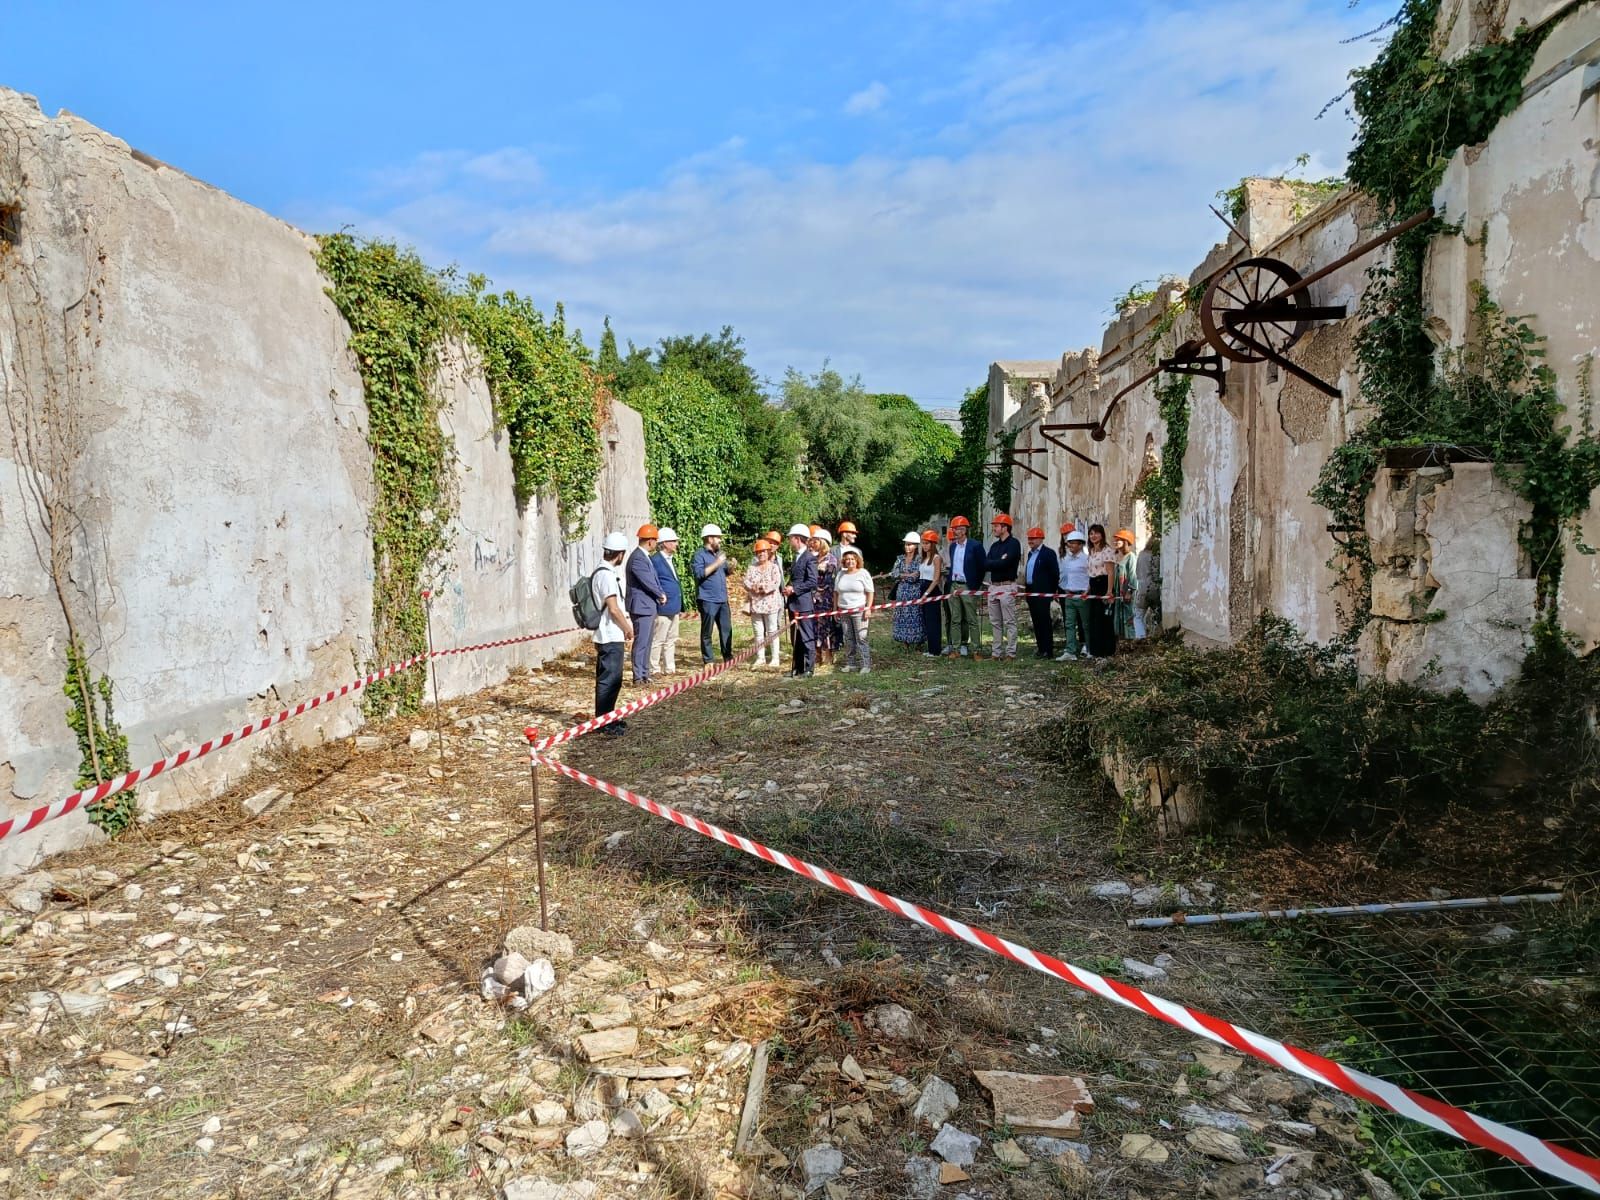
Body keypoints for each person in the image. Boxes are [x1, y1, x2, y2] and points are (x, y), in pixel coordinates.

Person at [591, 533, 634, 736]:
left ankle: (609, 717)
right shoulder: (607, 575)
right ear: (620, 554)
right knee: (609, 679)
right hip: (610, 634)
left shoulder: (602, 572)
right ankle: (603, 722)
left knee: (612, 679)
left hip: (608, 633)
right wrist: (627, 628)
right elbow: (614, 608)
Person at [626, 524, 665, 685]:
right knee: (641, 642)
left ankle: (644, 674)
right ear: (650, 541)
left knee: (647, 642)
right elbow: (647, 581)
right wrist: (660, 594)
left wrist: (659, 593)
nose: (656, 543)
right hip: (641, 606)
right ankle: (638, 676)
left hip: (647, 606)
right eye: (655, 540)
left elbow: (653, 578)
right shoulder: (637, 558)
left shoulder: (644, 557)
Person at [691, 524, 736, 664]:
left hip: (722, 598)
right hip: (707, 599)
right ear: (710, 539)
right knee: (707, 631)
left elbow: (725, 572)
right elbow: (699, 574)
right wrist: (717, 563)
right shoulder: (699, 555)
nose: (720, 540)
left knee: (726, 629)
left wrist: (732, 567)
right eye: (718, 537)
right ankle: (709, 660)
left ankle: (727, 656)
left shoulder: (719, 554)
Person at [944, 515, 986, 657]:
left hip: (968, 585)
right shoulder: (953, 546)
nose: (955, 532)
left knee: (971, 619)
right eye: (954, 529)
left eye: (958, 529)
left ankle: (976, 650)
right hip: (954, 585)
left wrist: (974, 585)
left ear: (964, 530)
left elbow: (982, 567)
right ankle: (956, 649)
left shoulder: (975, 546)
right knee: (955, 619)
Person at [783, 524, 819, 677]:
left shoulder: (809, 558)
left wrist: (794, 589)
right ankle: (797, 668)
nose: (789, 541)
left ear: (797, 539)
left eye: (790, 538)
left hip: (804, 604)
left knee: (806, 636)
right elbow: (797, 579)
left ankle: (809, 669)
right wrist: (787, 587)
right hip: (794, 604)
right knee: (796, 638)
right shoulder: (796, 557)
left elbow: (812, 581)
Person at [984, 514, 1022, 659]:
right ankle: (996, 652)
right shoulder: (994, 546)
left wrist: (996, 563)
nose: (994, 528)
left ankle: (1011, 652)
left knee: (1009, 621)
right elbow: (986, 563)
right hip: (993, 586)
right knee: (995, 622)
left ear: (1005, 527)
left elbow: (1006, 563)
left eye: (996, 526)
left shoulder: (1014, 544)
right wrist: (997, 562)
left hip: (1007, 586)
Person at [743, 538, 785, 668]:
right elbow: (746, 581)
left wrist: (762, 587)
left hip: (770, 604)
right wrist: (752, 587)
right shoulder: (752, 567)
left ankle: (775, 658)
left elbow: (776, 582)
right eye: (759, 552)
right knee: (758, 632)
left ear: (768, 552)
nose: (761, 554)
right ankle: (760, 657)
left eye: (764, 552)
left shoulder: (774, 567)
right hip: (756, 605)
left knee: (772, 631)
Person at [1022, 526, 1061, 659]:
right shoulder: (1030, 554)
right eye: (1029, 538)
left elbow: (1054, 574)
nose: (1030, 541)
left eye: (1033, 538)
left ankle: (1048, 650)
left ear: (1040, 539)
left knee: (1044, 621)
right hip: (1031, 592)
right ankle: (1040, 648)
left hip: (1043, 593)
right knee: (1036, 621)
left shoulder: (1048, 553)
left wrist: (1051, 592)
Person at [649, 528, 683, 676]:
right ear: (665, 543)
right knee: (659, 639)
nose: (676, 544)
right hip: (663, 607)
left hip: (674, 606)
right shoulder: (656, 561)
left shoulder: (670, 560)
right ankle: (654, 668)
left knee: (671, 638)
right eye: (674, 541)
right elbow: (653, 582)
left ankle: (670, 667)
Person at [835, 547, 874, 673]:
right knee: (848, 638)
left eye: (852, 559)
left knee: (861, 637)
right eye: (847, 559)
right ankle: (851, 664)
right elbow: (836, 593)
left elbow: (870, 592)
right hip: (844, 610)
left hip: (859, 610)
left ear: (857, 560)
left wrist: (868, 608)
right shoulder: (840, 574)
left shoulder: (863, 573)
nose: (850, 561)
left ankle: (866, 664)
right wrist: (835, 609)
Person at [1056, 528, 1091, 660]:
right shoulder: (1066, 559)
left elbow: (1091, 576)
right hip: (1069, 595)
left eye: (1073, 543)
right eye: (1069, 543)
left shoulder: (1087, 559)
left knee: (1086, 624)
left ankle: (1089, 648)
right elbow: (1063, 574)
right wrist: (1065, 588)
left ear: (1080, 544)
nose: (1070, 545)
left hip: (1082, 595)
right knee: (1069, 624)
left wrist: (1087, 591)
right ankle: (1070, 650)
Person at [809, 527, 841, 666]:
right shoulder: (813, 558)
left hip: (826, 597)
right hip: (812, 597)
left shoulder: (831, 559)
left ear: (823, 542)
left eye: (816, 541)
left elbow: (829, 578)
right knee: (814, 625)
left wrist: (819, 588)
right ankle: (817, 654)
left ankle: (828, 653)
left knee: (826, 625)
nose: (813, 543)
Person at [1084, 523, 1117, 658]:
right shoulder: (1091, 552)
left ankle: (1107, 651)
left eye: (1096, 533)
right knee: (1094, 619)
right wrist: (1087, 590)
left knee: (1104, 619)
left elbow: (1110, 572)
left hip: (1104, 584)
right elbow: (1091, 572)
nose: (1093, 536)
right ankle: (1095, 651)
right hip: (1093, 585)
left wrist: (1109, 591)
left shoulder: (1107, 551)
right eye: (1091, 533)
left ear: (1102, 535)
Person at [890, 533, 924, 648]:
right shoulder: (900, 559)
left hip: (915, 593)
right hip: (901, 592)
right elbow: (893, 574)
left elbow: (916, 576)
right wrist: (907, 575)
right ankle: (905, 642)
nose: (907, 547)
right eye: (906, 544)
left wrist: (902, 575)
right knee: (902, 615)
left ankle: (919, 642)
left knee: (917, 616)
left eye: (910, 544)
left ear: (916, 545)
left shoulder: (920, 559)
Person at [918, 530, 945, 657]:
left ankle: (935, 650)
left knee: (933, 621)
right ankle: (931, 648)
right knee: (927, 621)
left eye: (927, 543)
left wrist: (926, 594)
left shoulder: (936, 558)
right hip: (923, 587)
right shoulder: (924, 559)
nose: (924, 546)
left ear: (933, 544)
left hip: (932, 591)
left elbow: (936, 579)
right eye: (923, 543)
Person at [1112, 529, 1139, 642]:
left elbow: (1132, 575)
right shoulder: (1118, 556)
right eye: (1115, 540)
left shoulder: (1131, 556)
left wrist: (1129, 591)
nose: (1115, 542)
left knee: (1128, 616)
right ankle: (1122, 642)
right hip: (1118, 592)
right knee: (1119, 616)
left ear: (1125, 541)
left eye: (1118, 540)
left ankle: (1131, 641)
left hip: (1127, 591)